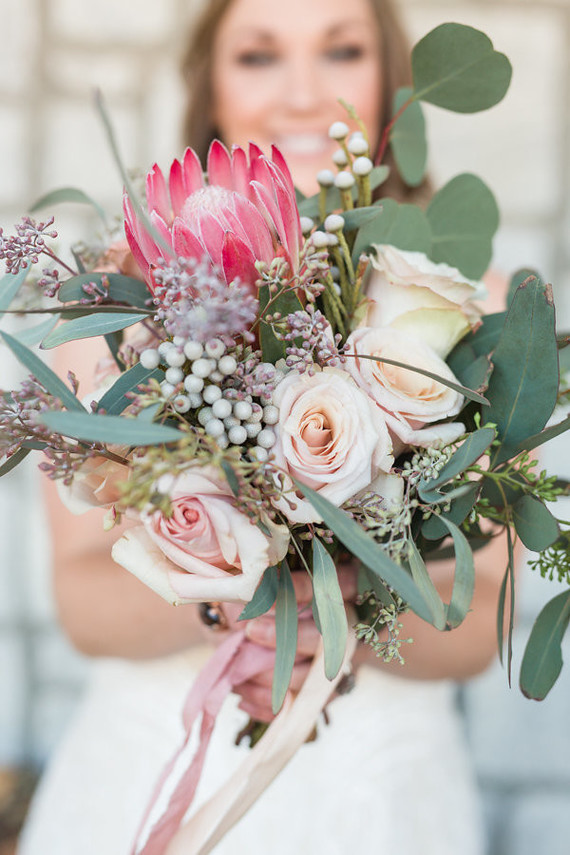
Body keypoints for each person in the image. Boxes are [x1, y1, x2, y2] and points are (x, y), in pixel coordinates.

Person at [18, 0, 508, 853]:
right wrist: (246, 596)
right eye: (258, 56)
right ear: (208, 82)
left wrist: (347, 610)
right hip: (159, 759)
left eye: (342, 49)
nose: (303, 92)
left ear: (389, 72)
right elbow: (84, 602)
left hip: (382, 793)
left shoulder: (471, 309)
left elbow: (483, 618)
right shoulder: (107, 302)